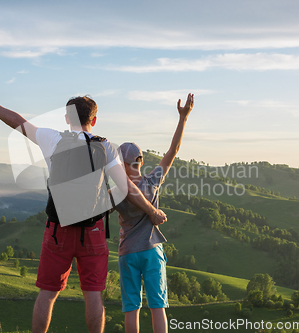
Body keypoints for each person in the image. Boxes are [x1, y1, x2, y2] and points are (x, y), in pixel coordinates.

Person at [0, 84, 167, 333]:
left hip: (57, 230)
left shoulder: (52, 139)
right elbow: (127, 188)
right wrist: (151, 211)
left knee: (48, 294)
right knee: (93, 295)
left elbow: (17, 121)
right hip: (92, 232)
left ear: (67, 118)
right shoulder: (105, 147)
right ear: (94, 119)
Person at [115, 93, 194, 333]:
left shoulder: (116, 192)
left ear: (122, 164)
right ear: (140, 161)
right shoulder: (152, 182)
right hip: (151, 250)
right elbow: (173, 150)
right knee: (157, 307)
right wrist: (183, 118)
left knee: (132, 308)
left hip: (127, 252)